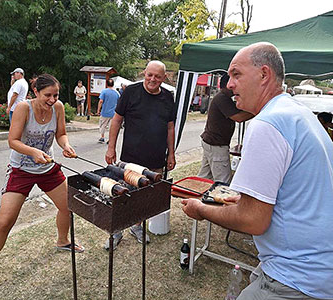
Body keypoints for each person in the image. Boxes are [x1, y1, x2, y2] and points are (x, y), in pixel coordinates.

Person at [181, 42, 333, 299]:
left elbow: (254, 220)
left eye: (236, 74)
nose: (229, 84)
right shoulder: (299, 113)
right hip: (317, 267)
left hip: (297, 275)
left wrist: (201, 210)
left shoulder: (267, 123)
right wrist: (244, 200)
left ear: (264, 75)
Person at [0, 74, 84, 295]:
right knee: (5, 221)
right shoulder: (24, 108)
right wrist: (33, 151)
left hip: (48, 167)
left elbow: (61, 134)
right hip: (21, 170)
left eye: (56, 95)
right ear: (36, 92)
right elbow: (13, 141)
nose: (52, 99)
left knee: (68, 207)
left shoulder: (59, 107)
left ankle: (63, 241)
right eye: (48, 95)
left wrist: (66, 146)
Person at [104, 60, 176, 250]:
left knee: (147, 197)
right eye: (149, 75)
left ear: (164, 78)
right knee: (123, 195)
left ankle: (137, 227)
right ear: (144, 73)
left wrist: (172, 154)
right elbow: (117, 120)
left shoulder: (168, 97)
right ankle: (116, 231)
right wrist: (111, 147)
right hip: (131, 157)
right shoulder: (130, 92)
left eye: (157, 76)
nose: (152, 79)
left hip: (156, 158)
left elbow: (170, 127)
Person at [198, 73, 253, 183]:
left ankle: (195, 197)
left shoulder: (224, 97)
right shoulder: (222, 98)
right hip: (216, 145)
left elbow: (239, 109)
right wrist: (257, 111)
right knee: (223, 182)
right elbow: (239, 117)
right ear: (228, 85)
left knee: (204, 179)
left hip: (211, 142)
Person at [96, 78, 119, 143]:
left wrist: (98, 110)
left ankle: (102, 137)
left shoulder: (104, 91)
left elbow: (101, 101)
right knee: (111, 127)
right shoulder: (117, 93)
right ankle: (110, 139)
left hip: (105, 112)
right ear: (113, 84)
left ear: (106, 84)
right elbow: (119, 102)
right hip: (113, 113)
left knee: (103, 125)